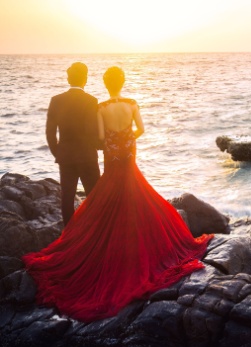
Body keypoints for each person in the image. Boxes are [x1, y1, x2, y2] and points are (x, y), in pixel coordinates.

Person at [22, 66, 212, 322]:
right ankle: (120, 238)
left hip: (98, 155)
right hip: (119, 153)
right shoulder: (121, 103)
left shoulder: (93, 105)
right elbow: (138, 130)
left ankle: (84, 239)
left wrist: (102, 145)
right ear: (121, 82)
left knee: (90, 198)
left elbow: (94, 136)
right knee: (120, 196)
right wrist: (126, 140)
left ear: (104, 83)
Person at [46, 62, 101, 225]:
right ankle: (93, 231)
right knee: (94, 198)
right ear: (85, 79)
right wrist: (101, 145)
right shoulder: (91, 101)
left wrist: (58, 153)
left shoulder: (56, 100)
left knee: (67, 199)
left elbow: (50, 132)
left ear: (68, 79)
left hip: (66, 157)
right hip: (88, 156)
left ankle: (69, 233)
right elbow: (92, 130)